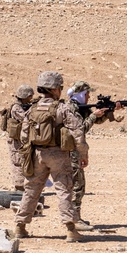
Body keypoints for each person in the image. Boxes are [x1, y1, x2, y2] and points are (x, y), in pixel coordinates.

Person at [13, 71, 89, 242]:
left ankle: (20, 226)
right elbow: (78, 133)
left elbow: (24, 135)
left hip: (37, 155)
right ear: (54, 89)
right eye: (60, 87)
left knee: (31, 190)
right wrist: (83, 154)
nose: (61, 90)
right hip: (58, 155)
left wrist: (29, 155)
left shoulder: (32, 109)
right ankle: (70, 229)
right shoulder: (62, 108)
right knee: (64, 190)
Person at [66, 81, 122, 230]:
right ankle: (74, 220)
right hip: (70, 151)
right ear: (81, 94)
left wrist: (108, 111)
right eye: (87, 94)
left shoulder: (79, 107)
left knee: (78, 185)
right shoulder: (71, 109)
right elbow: (80, 129)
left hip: (74, 150)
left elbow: (96, 120)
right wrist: (93, 116)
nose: (89, 97)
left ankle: (75, 217)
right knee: (77, 186)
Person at [3, 85, 34, 190]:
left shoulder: (23, 106)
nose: (31, 98)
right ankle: (19, 185)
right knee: (18, 161)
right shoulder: (16, 108)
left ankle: (23, 184)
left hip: (20, 139)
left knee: (24, 160)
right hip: (15, 140)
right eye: (30, 96)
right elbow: (25, 118)